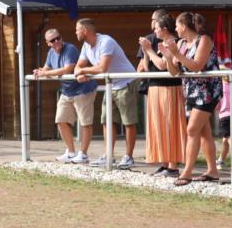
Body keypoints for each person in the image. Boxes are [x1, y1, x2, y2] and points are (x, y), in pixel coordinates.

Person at [163, 12, 222, 186]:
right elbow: (174, 72)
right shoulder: (180, 43)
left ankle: (187, 172)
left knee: (191, 130)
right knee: (204, 132)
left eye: (176, 26)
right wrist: (168, 57)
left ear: (184, 26)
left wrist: (177, 54)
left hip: (208, 91)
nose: (175, 29)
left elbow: (197, 66)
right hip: (191, 91)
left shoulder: (204, 40)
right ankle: (212, 170)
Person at [73, 18, 139, 168]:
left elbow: (102, 68)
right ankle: (108, 154)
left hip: (126, 81)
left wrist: (83, 71)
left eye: (77, 29)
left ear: (85, 31)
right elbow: (78, 66)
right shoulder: (85, 46)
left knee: (128, 121)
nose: (75, 32)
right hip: (111, 84)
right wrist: (80, 72)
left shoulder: (106, 41)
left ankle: (129, 157)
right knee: (106, 120)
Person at [34, 30, 97, 163]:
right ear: (48, 43)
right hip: (67, 91)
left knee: (85, 123)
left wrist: (45, 74)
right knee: (61, 120)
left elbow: (67, 69)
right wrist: (40, 71)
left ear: (61, 37)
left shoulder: (70, 49)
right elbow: (46, 68)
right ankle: (71, 152)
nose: (56, 42)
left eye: (58, 38)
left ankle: (83, 154)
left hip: (83, 89)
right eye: (52, 40)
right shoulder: (51, 53)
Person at [138, 11, 185, 177]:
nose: (154, 31)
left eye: (157, 28)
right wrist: (145, 52)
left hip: (170, 89)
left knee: (170, 125)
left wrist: (149, 50)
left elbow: (162, 65)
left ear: (165, 29)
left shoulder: (174, 42)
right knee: (158, 126)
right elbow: (145, 66)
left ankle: (173, 165)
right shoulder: (158, 43)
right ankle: (164, 163)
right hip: (155, 88)